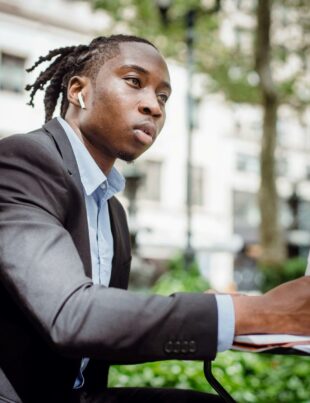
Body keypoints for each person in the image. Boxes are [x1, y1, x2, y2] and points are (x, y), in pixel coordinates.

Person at [0, 34, 309, 403]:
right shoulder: (24, 161)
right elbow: (73, 315)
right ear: (79, 90)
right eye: (134, 82)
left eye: (163, 97)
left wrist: (213, 313)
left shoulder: (111, 208)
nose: (155, 107)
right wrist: (251, 313)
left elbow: (105, 332)